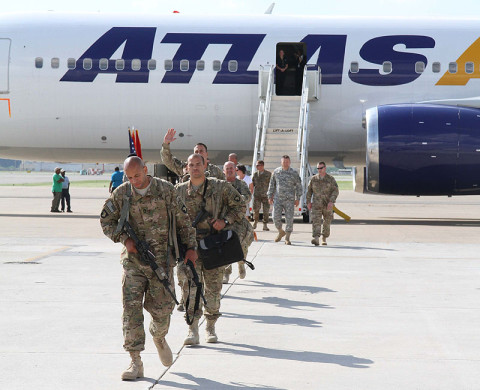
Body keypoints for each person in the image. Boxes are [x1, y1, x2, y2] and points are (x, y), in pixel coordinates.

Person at [100, 156, 197, 381]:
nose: (134, 181)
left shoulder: (166, 191)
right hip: (133, 264)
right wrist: (124, 239)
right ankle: (135, 361)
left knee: (163, 311)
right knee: (131, 312)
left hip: (161, 263)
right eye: (130, 177)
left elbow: (184, 220)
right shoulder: (122, 194)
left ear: (145, 170)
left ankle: (159, 336)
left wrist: (191, 248)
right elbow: (106, 221)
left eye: (137, 175)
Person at [176, 154, 244, 345]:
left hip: (214, 247)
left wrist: (225, 221)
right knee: (190, 290)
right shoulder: (179, 191)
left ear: (205, 165)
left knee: (213, 291)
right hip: (189, 249)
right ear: (187, 168)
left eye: (198, 164)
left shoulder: (219, 187)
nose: (195, 168)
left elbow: (240, 206)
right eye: (191, 165)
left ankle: (210, 327)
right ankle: (192, 329)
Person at [222, 161, 254, 284]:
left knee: (242, 246)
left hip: (239, 221)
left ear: (235, 170)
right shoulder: (220, 185)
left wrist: (238, 199)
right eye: (227, 169)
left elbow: (248, 196)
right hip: (224, 221)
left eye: (231, 168)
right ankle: (226, 272)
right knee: (226, 247)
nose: (229, 170)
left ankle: (241, 263)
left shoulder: (240, 184)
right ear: (224, 171)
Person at [267, 155, 303, 245]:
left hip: (289, 200)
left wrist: (297, 198)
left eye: (287, 162)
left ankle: (287, 237)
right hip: (278, 199)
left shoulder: (294, 173)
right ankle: (280, 231)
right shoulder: (276, 172)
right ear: (281, 162)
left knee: (289, 219)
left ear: (289, 162)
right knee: (275, 217)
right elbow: (272, 185)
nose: (285, 163)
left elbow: (299, 186)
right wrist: (269, 196)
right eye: (283, 162)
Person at [306, 162, 339, 246]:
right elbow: (309, 191)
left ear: (325, 168)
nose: (319, 170)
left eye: (321, 168)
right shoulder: (313, 179)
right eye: (318, 168)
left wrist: (331, 201)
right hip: (316, 204)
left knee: (327, 222)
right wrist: (308, 202)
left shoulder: (331, 179)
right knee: (316, 221)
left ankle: (324, 238)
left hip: (327, 204)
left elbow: (335, 191)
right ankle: (316, 238)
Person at [252, 160, 272, 231]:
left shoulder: (268, 174)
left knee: (266, 211)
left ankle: (265, 225)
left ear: (262, 166)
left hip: (266, 195)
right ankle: (255, 222)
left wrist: (271, 195)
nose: (257, 167)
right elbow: (252, 184)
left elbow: (272, 185)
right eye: (256, 165)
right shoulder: (255, 174)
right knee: (256, 210)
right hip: (257, 195)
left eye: (258, 165)